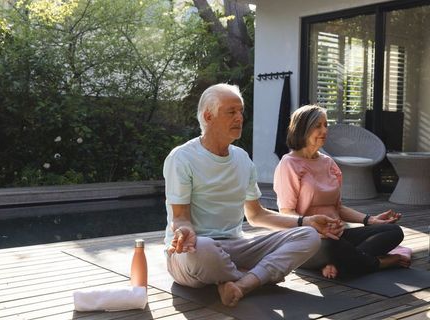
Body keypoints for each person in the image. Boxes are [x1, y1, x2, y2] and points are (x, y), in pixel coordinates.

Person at [163, 84, 343, 307]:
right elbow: (180, 217)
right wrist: (185, 231)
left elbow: (257, 215)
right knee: (206, 248)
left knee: (309, 236)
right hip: (192, 251)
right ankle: (255, 277)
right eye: (231, 112)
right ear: (208, 116)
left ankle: (239, 283)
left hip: (235, 247)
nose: (240, 118)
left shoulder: (242, 159)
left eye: (241, 111)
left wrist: (306, 221)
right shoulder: (182, 158)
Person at [273, 104, 411, 279]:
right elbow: (286, 213)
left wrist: (370, 220)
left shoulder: (328, 163)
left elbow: (338, 207)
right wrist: (315, 229)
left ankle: (338, 263)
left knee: (393, 231)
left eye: (325, 125)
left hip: (339, 235)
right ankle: (380, 263)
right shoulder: (289, 164)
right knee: (334, 247)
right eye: (318, 126)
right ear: (302, 129)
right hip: (309, 240)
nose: (324, 130)